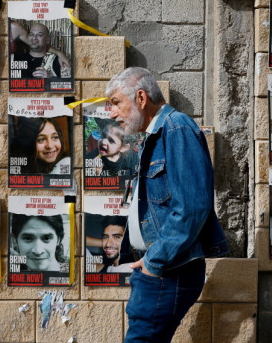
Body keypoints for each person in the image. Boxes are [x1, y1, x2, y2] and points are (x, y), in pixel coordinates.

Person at [106, 67, 228, 343]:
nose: (111, 113)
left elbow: (192, 208)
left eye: (116, 103)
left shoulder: (177, 128)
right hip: (158, 268)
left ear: (140, 98)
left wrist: (153, 261)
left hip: (168, 270)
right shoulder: (155, 134)